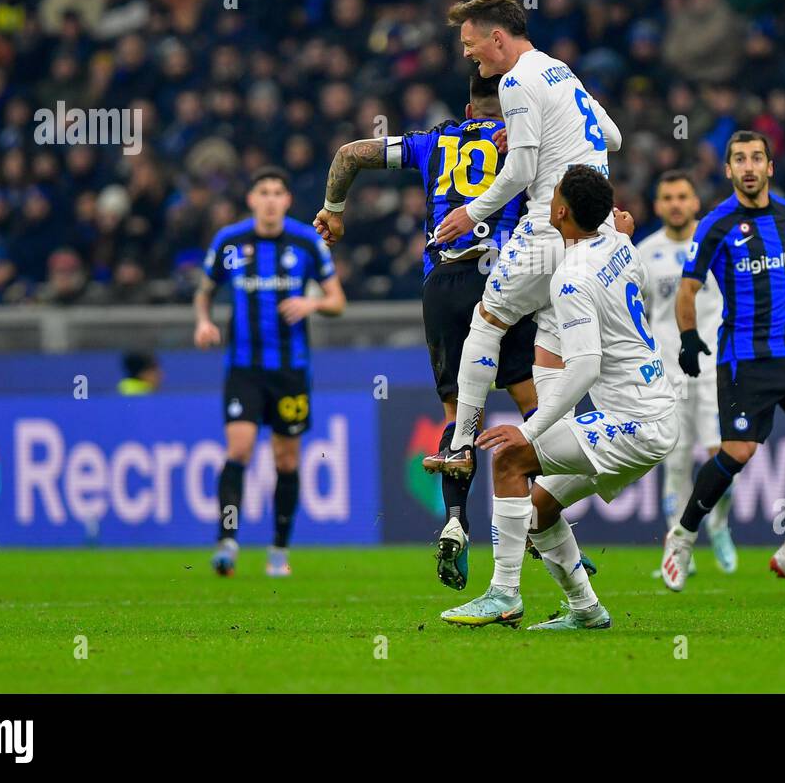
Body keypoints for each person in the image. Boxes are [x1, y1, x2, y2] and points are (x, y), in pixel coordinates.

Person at [313, 70, 539, 591]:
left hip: (440, 284)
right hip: (497, 279)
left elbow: (349, 154)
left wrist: (334, 211)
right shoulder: (524, 138)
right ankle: (543, 518)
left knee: (460, 416)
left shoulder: (432, 141)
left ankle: (455, 521)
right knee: (537, 404)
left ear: (467, 107)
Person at [441, 167, 677, 630]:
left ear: (561, 210)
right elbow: (638, 280)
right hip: (657, 411)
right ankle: (587, 610)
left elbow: (585, 367)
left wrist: (528, 428)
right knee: (543, 505)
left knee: (510, 459)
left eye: (553, 194)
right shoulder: (620, 244)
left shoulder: (570, 279)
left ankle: (504, 594)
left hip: (632, 421)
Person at [422, 0, 624, 486]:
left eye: (470, 43)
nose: (466, 53)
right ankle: (554, 481)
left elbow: (521, 171)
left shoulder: (515, 82)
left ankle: (461, 444)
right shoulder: (561, 70)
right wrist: (543, 130)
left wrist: (472, 212)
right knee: (549, 361)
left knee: (486, 323)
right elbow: (613, 138)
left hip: (548, 230)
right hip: (595, 241)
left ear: (497, 37)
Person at [661, 131, 785, 600]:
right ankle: (682, 537)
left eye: (756, 158)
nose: (748, 166)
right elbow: (688, 290)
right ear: (727, 170)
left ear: (770, 167)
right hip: (745, 360)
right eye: (739, 159)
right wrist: (688, 338)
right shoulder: (716, 225)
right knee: (738, 452)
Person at [195, 166, 346, 578]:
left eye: (278, 191)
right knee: (239, 450)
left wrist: (312, 304)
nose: (270, 198)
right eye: (263, 191)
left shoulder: (307, 243)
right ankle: (226, 540)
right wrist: (203, 322)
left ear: (287, 200)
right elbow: (204, 291)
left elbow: (337, 300)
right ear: (251, 200)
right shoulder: (229, 242)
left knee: (285, 460)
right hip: (243, 368)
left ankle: (278, 550)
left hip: (291, 371)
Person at [636, 170, 736, 575]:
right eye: (667, 197)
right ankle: (678, 549)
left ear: (696, 202)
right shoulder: (643, 252)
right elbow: (635, 314)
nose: (675, 203)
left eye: (682, 196)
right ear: (658, 205)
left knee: (724, 457)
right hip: (667, 375)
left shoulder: (716, 245)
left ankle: (719, 523)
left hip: (714, 367)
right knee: (674, 463)